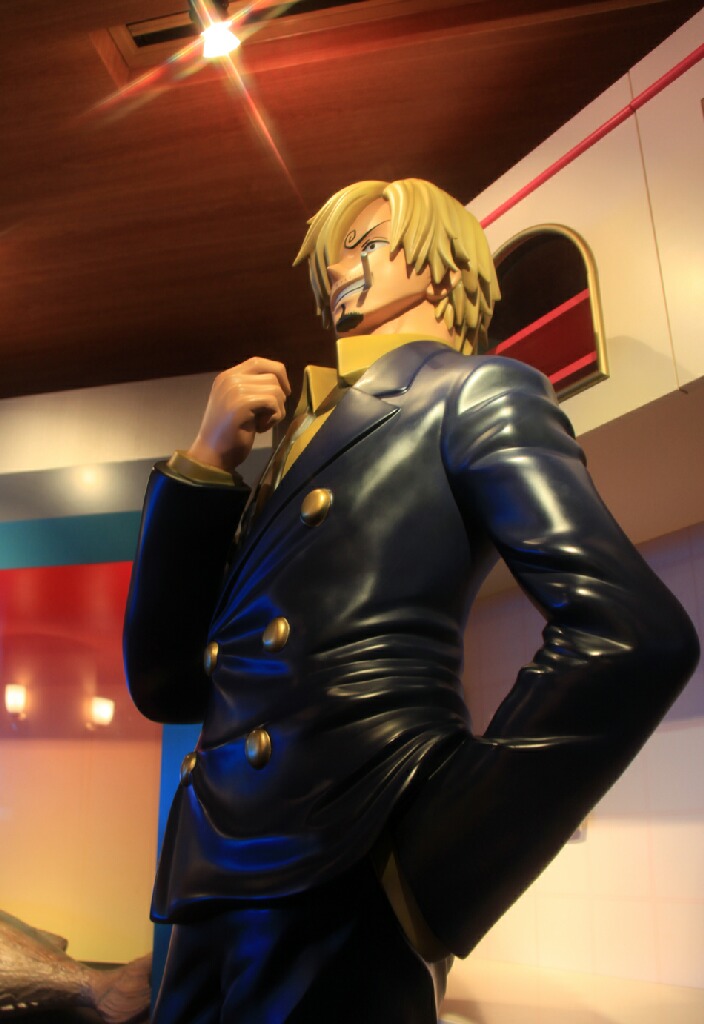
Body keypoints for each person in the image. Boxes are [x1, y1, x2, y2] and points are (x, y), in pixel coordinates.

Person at [124, 178, 699, 1024]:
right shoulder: (292, 444)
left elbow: (631, 632)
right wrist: (205, 467)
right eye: (332, 258)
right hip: (208, 866)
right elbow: (169, 683)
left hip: (346, 858)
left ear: (444, 262)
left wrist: (437, 867)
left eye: (367, 243)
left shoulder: (475, 390)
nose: (339, 270)